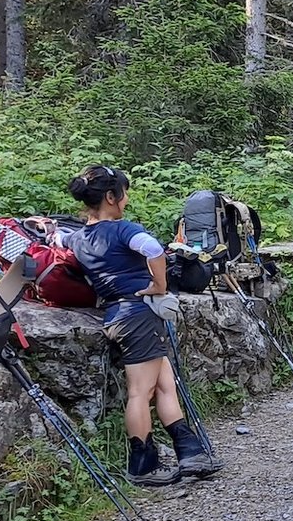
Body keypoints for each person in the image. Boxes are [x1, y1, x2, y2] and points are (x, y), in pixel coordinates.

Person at [66, 165, 220, 486]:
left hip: (119, 315)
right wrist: (158, 286)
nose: (127, 198)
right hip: (137, 314)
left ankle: (189, 451)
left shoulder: (78, 238)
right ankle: (142, 465)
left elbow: (63, 242)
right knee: (140, 392)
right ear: (112, 196)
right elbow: (152, 249)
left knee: (165, 384)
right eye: (124, 192)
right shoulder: (122, 229)